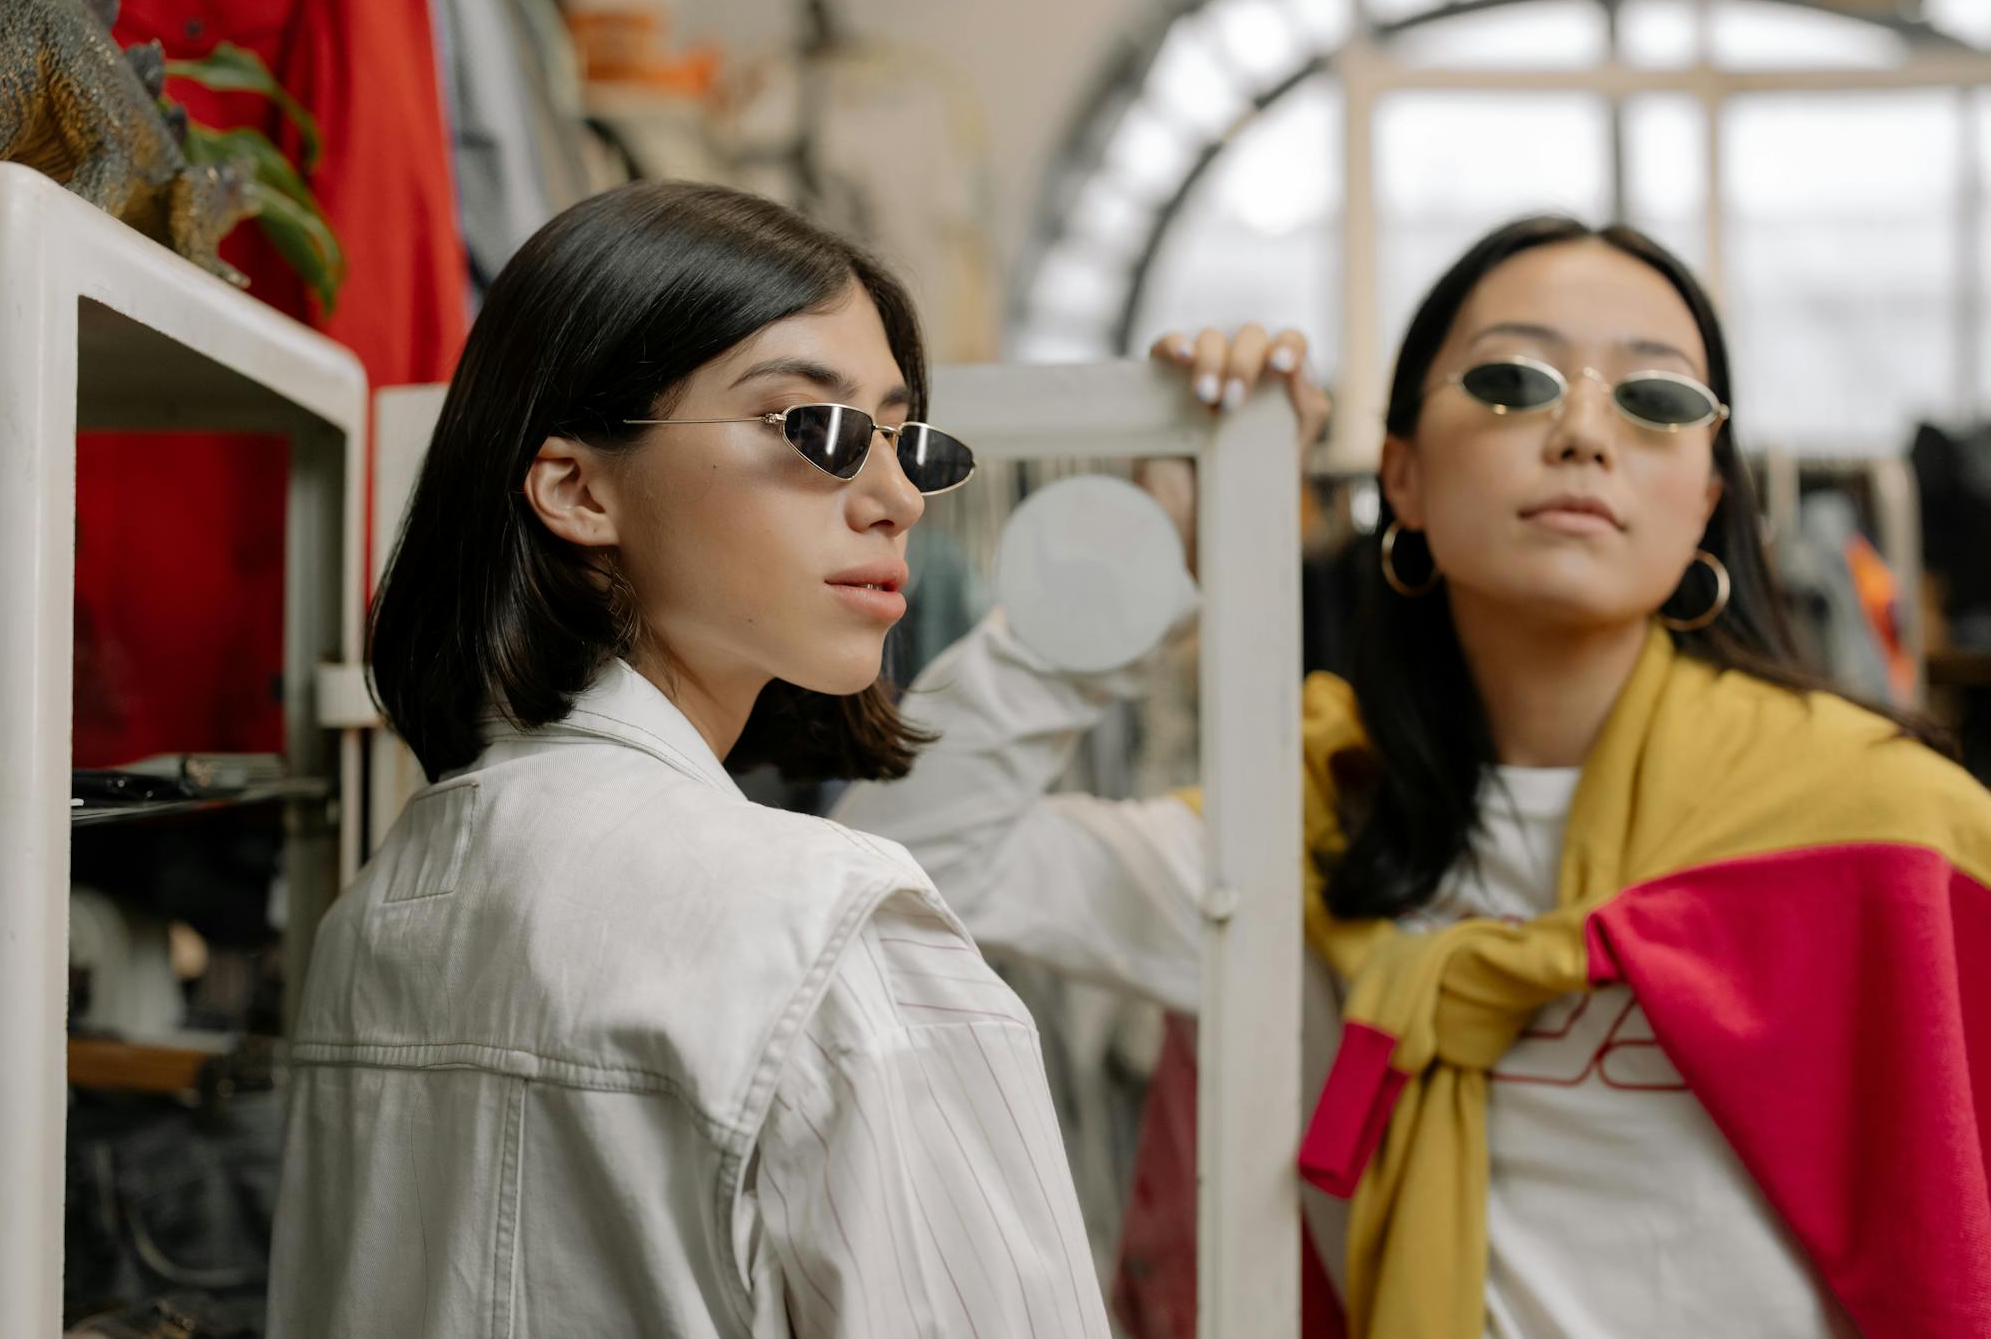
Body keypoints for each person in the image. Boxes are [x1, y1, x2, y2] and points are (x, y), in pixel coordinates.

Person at [833, 217, 1991, 1339]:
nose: (1584, 432)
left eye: (1654, 398)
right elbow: (904, 866)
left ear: (1705, 501)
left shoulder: (1883, 828)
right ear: (1403, 477)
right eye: (1511, 384)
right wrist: (1154, 534)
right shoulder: (1298, 836)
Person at [268, 181, 1112, 1339]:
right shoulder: (825, 936)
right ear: (575, 485)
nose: (894, 497)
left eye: (902, 438)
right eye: (809, 429)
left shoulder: (372, 919)